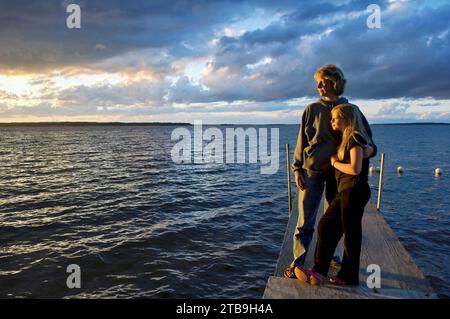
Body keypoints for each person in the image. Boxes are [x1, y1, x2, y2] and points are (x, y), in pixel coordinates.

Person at [284, 64, 376, 279]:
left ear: (334, 82)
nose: (318, 86)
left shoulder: (351, 110)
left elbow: (368, 140)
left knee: (333, 223)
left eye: (322, 82)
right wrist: (297, 168)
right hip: (312, 172)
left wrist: (370, 151)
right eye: (317, 82)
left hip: (340, 177)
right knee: (305, 221)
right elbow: (302, 141)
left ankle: (332, 258)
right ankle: (297, 262)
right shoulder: (311, 109)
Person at [294, 103, 373, 286]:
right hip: (346, 190)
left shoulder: (355, 138)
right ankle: (319, 271)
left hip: (354, 190)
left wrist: (334, 162)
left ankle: (348, 276)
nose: (331, 122)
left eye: (335, 118)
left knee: (351, 234)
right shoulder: (347, 138)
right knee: (327, 226)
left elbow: (355, 168)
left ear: (346, 118)